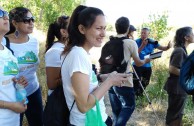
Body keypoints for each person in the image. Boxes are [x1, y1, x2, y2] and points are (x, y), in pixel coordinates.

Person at [61, 5, 129, 126]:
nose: (103, 34)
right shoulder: (78, 55)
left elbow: (83, 83)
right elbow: (84, 106)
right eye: (98, 28)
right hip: (87, 122)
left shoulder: (79, 53)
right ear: (82, 29)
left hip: (94, 118)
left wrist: (102, 77)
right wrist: (110, 82)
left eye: (104, 28)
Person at [104, 17, 150, 126]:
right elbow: (138, 63)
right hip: (124, 80)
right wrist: (146, 60)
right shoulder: (130, 42)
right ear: (128, 28)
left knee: (116, 111)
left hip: (110, 79)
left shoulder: (109, 42)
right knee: (129, 106)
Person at [2, 7, 43, 126]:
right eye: (26, 20)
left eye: (33, 19)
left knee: (38, 122)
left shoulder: (34, 42)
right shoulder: (4, 43)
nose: (31, 23)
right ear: (14, 23)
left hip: (33, 90)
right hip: (13, 95)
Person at [0, 6, 27, 126]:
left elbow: (8, 81)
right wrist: (11, 106)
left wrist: (18, 83)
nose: (6, 16)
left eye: (5, 13)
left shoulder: (7, 51)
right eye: (0, 13)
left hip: (13, 119)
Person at [164, 26, 194, 126]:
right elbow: (172, 68)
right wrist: (187, 76)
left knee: (177, 113)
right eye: (192, 34)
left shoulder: (182, 50)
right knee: (175, 115)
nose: (193, 35)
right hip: (177, 88)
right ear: (186, 37)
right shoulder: (179, 51)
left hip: (178, 88)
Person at [133, 27, 171, 96]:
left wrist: (168, 47)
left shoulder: (152, 42)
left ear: (148, 34)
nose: (143, 34)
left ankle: (139, 94)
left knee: (146, 82)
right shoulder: (136, 42)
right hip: (137, 65)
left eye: (144, 33)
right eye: (142, 33)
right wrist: (142, 45)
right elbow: (135, 54)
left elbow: (162, 48)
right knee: (136, 81)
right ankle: (134, 95)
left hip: (147, 65)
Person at [45, 15, 69, 94]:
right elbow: (52, 84)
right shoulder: (55, 51)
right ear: (63, 32)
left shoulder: (68, 48)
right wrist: (74, 76)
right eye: (73, 26)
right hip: (59, 100)